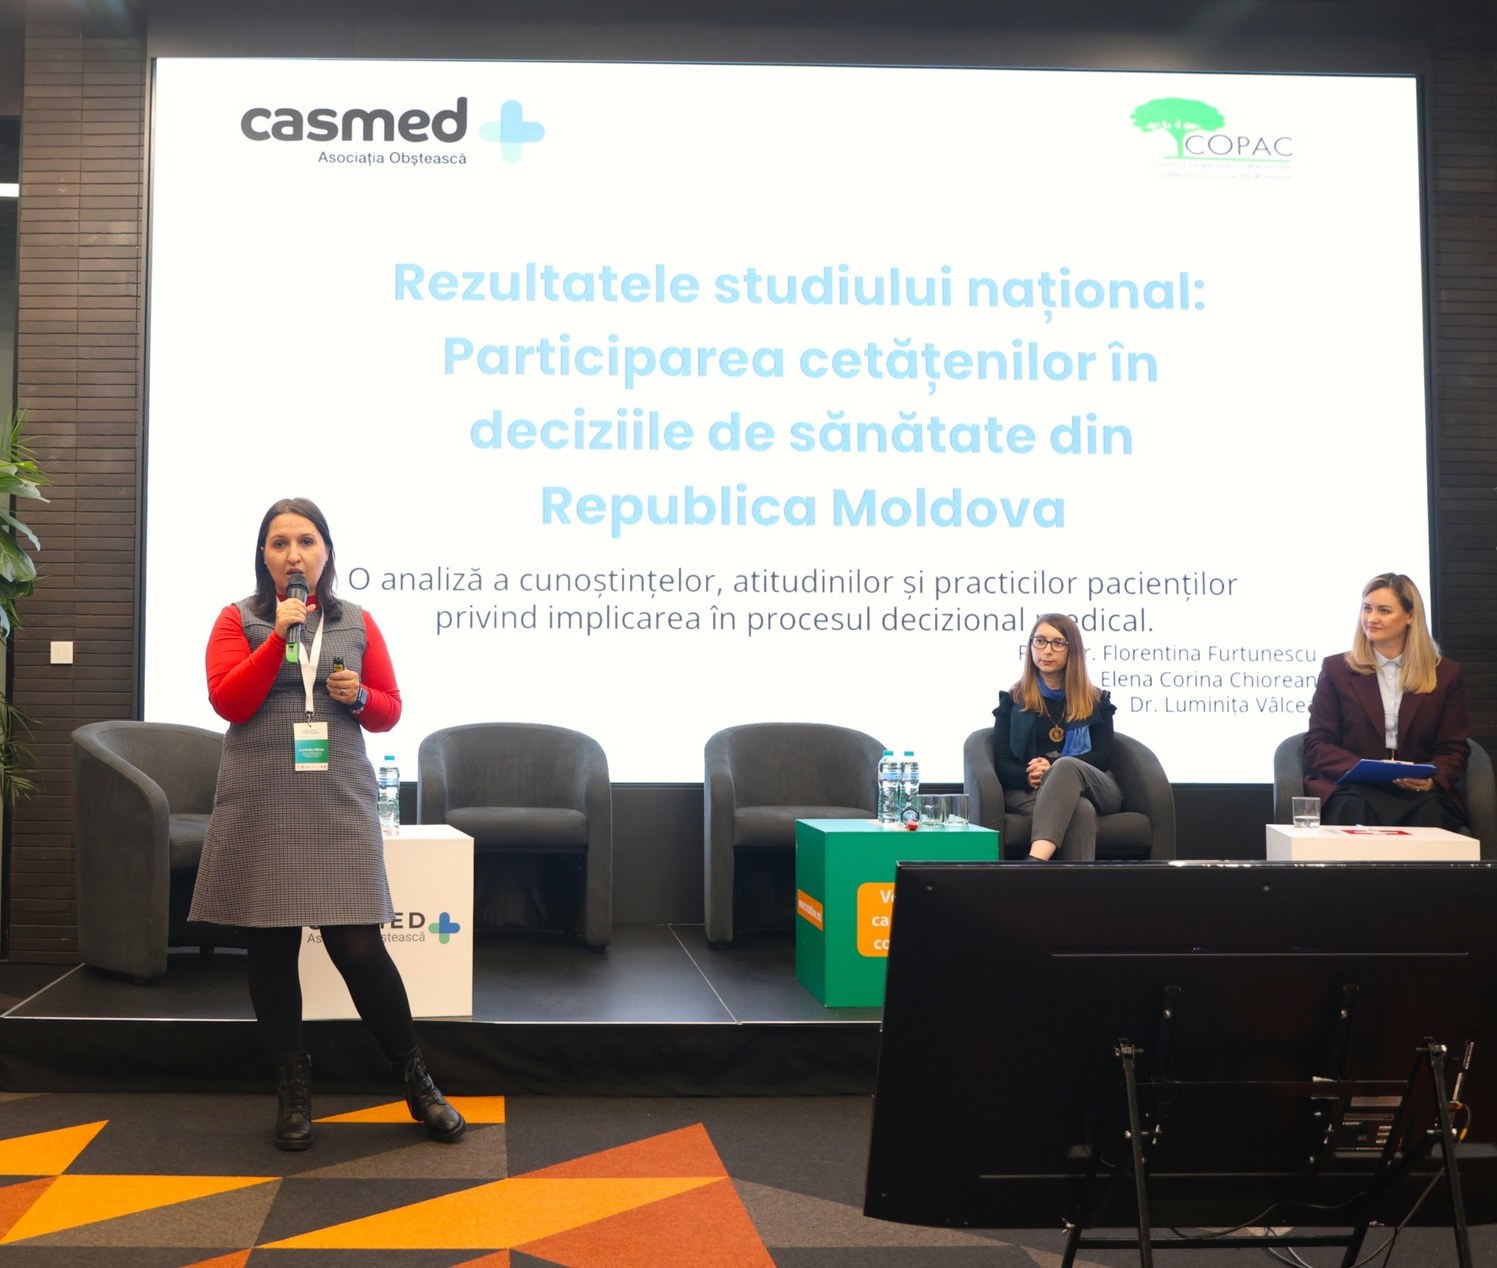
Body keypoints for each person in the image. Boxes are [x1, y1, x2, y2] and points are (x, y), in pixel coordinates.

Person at [189, 497, 465, 1150]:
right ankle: (293, 1093)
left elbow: (389, 711)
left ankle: (418, 1083)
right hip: (261, 797)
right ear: (264, 556)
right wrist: (277, 639)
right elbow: (229, 700)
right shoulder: (239, 618)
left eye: (306, 541)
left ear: (327, 553)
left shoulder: (356, 621)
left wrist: (360, 697)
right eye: (280, 542)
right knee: (271, 946)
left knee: (359, 945)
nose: (294, 554)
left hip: (336, 798)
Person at [1304, 571, 1470, 832]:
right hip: (1353, 787)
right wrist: (1359, 769)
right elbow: (1318, 742)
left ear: (1410, 616)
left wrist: (1432, 778)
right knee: (1354, 807)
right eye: (1367, 608)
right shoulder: (1336, 669)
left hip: (1418, 792)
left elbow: (1454, 748)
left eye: (1384, 611)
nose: (1371, 618)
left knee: (1430, 811)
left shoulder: (1445, 674)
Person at [992, 613, 1121, 861]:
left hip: (1095, 787)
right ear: (1031, 646)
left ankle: (1034, 864)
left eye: (1058, 643)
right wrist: (1027, 775)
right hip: (1030, 790)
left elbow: (1103, 757)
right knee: (1081, 811)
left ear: (1073, 650)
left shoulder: (1096, 700)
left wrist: (1052, 767)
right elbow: (1002, 762)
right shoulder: (1013, 700)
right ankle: (1072, 885)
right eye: (1040, 641)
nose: (1047, 650)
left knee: (1066, 766)